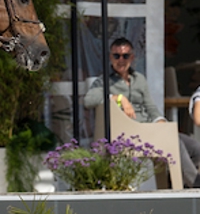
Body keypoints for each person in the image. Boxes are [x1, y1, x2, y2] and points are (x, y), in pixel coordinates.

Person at [85, 37, 200, 188]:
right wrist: (119, 98)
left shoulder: (139, 79)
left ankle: (181, 184)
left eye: (125, 56)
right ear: (110, 57)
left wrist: (160, 121)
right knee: (175, 142)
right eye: (116, 56)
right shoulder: (104, 81)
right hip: (126, 132)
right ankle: (196, 186)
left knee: (194, 146)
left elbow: (151, 107)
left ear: (132, 57)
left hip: (148, 129)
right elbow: (88, 100)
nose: (121, 60)